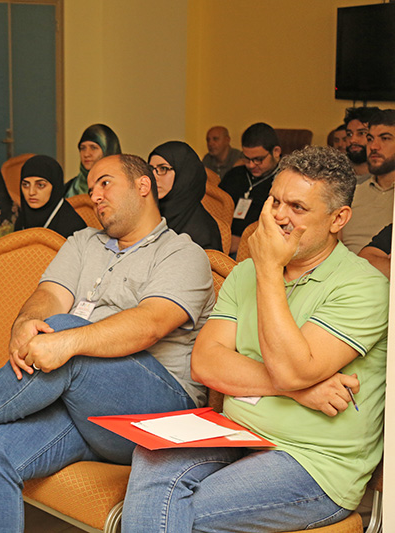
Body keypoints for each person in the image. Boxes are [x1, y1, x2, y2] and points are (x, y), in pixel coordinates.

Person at [0, 154, 215, 532]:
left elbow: (150, 324)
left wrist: (66, 340)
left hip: (157, 413)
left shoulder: (183, 253)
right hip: (83, 410)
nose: (95, 196)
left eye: (105, 183)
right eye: (91, 187)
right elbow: (49, 294)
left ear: (143, 186)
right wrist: (25, 324)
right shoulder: (83, 242)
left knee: (65, 332)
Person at [122, 146, 388, 532]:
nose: (279, 215)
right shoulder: (245, 272)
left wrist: (268, 269)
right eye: (275, 201)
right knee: (151, 457)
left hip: (312, 463)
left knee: (172, 513)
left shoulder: (363, 286)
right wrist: (298, 390)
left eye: (297, 207)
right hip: (236, 435)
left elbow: (293, 369)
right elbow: (206, 363)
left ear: (338, 219)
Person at [219, 122, 281, 254]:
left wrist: (242, 243)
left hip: (259, 249)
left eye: (258, 159)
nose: (251, 165)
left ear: (276, 152)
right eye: (247, 159)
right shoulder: (235, 175)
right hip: (223, 244)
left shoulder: (284, 182)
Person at [149, 140, 223, 250]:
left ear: (185, 175)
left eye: (163, 168)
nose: (154, 177)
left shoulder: (202, 231)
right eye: (151, 169)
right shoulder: (149, 213)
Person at [341, 109, 395, 254]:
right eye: (370, 139)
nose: (373, 146)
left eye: (385, 138)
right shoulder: (351, 194)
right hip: (345, 266)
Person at [14, 154, 87, 238]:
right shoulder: (21, 220)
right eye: (26, 185)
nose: (31, 192)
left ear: (55, 187)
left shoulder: (74, 227)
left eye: (40, 185)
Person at [64, 123, 121, 197]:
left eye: (93, 148)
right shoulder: (67, 188)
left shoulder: (122, 186)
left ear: (108, 151)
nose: (86, 154)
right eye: (83, 148)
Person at [344, 106, 381, 182]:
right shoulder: (336, 175)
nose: (352, 140)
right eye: (349, 134)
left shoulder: (385, 179)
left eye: (361, 133)